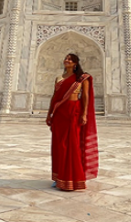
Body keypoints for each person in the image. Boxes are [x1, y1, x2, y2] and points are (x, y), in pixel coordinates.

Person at [46, 53, 98, 191]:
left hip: (73, 112)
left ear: (75, 63)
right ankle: (58, 177)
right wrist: (49, 114)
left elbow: (85, 96)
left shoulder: (82, 78)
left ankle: (72, 178)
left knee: (71, 145)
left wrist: (84, 113)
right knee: (59, 145)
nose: (67, 60)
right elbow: (54, 97)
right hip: (59, 113)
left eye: (70, 59)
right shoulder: (59, 78)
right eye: (66, 58)